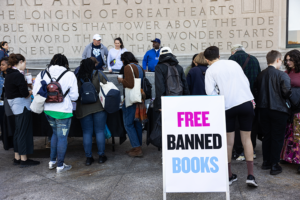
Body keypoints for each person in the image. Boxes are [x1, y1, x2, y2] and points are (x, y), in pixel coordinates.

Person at [204, 46, 257, 187]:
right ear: (219, 55)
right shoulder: (233, 63)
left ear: (206, 59)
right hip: (246, 102)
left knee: (228, 143)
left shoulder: (210, 70)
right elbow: (245, 82)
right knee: (247, 139)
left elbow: (210, 93)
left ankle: (229, 176)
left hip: (228, 107)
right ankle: (250, 175)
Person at [33, 54, 79, 173]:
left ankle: (52, 162)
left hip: (48, 110)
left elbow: (35, 92)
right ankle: (60, 166)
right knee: (62, 137)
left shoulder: (42, 74)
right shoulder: (69, 74)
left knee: (54, 134)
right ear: (65, 63)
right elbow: (75, 96)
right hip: (63, 111)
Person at [254, 50, 291, 176]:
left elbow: (256, 92)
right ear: (277, 60)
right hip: (279, 110)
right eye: (281, 60)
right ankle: (275, 165)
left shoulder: (260, 75)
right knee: (277, 137)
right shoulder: (282, 75)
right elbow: (287, 93)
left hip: (263, 110)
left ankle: (266, 162)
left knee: (267, 136)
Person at [5, 54, 40, 168]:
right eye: (24, 63)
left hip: (15, 106)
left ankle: (17, 157)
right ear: (20, 62)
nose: (25, 65)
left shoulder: (9, 74)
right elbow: (24, 93)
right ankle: (24, 159)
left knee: (18, 131)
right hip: (22, 105)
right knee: (23, 132)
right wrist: (32, 90)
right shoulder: (18, 75)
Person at [229, 44, 262, 161]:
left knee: (238, 124)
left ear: (233, 52)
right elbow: (258, 78)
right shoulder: (254, 59)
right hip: (251, 97)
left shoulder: (232, 60)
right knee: (251, 125)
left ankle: (239, 151)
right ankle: (251, 150)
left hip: (237, 97)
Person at [76, 58, 108, 166]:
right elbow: (108, 88)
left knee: (87, 133)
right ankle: (101, 156)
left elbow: (75, 93)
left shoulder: (78, 76)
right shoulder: (99, 74)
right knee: (100, 131)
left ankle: (89, 158)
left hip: (84, 108)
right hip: (99, 106)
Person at [117, 52, 145, 157]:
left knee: (128, 124)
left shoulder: (128, 67)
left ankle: (137, 148)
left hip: (131, 99)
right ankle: (137, 146)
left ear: (125, 59)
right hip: (139, 98)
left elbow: (130, 84)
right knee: (136, 123)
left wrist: (121, 80)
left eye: (122, 60)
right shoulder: (139, 67)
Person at [280, 49, 300, 173]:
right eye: (286, 60)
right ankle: (288, 158)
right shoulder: (286, 72)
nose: (288, 62)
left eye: (290, 59)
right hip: (290, 107)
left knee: (298, 135)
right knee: (289, 133)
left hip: (299, 107)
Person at [154, 47, 190, 112]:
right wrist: (187, 100)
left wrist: (159, 104)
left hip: (166, 100)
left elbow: (160, 87)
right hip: (180, 99)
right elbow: (185, 85)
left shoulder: (159, 67)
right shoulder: (179, 67)